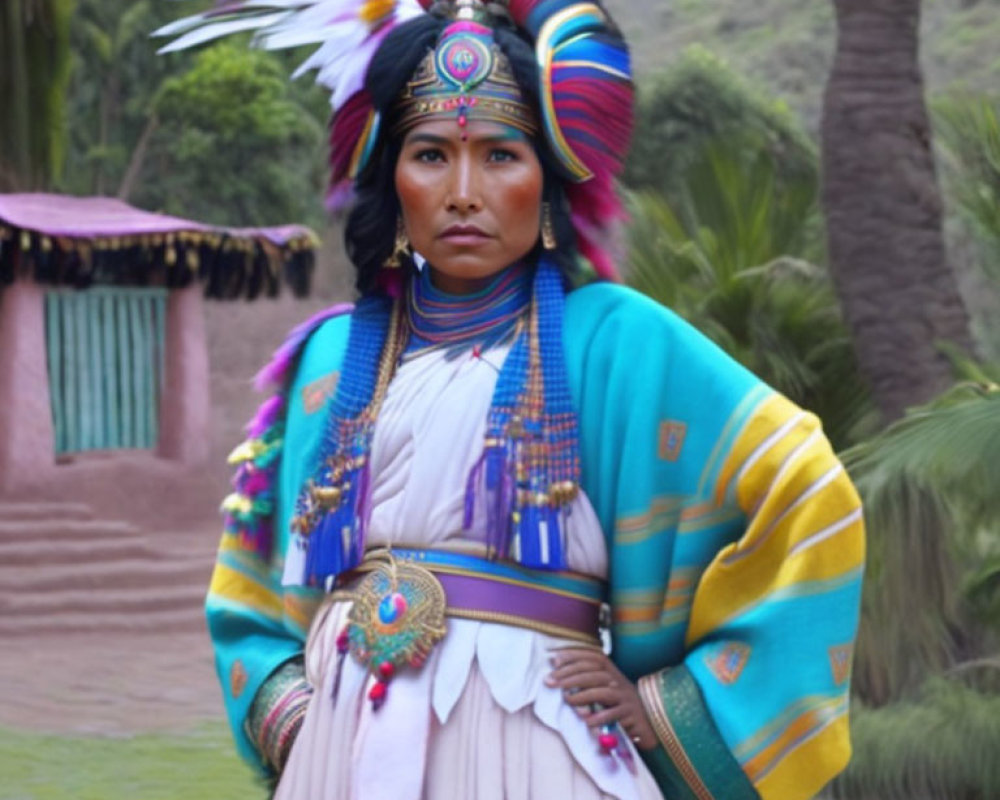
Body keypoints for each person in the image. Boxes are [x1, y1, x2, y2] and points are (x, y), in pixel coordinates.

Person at [163, 1, 865, 798]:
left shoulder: (615, 341)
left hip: (539, 744)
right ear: (391, 178)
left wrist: (670, 708)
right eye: (431, 154)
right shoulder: (331, 358)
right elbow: (250, 577)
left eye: (500, 155)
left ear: (551, 179)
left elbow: (810, 496)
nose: (464, 192)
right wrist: (295, 717)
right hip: (340, 751)